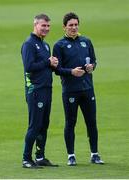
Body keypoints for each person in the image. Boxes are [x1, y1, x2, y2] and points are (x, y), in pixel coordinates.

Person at [53, 12, 104, 166]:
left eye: (76, 24)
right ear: (64, 27)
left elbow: (94, 61)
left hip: (87, 88)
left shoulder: (86, 42)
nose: (74, 28)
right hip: (70, 90)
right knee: (70, 122)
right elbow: (56, 69)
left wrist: (91, 67)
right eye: (71, 25)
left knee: (91, 122)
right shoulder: (59, 45)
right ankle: (71, 155)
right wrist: (71, 72)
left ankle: (94, 154)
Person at [21, 13, 58, 168]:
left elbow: (44, 66)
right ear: (35, 25)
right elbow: (29, 67)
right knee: (35, 125)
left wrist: (53, 64)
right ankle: (26, 159)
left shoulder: (45, 45)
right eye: (43, 25)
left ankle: (40, 156)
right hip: (35, 90)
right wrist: (47, 61)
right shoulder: (29, 44)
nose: (46, 28)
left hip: (46, 89)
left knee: (44, 125)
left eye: (48, 26)